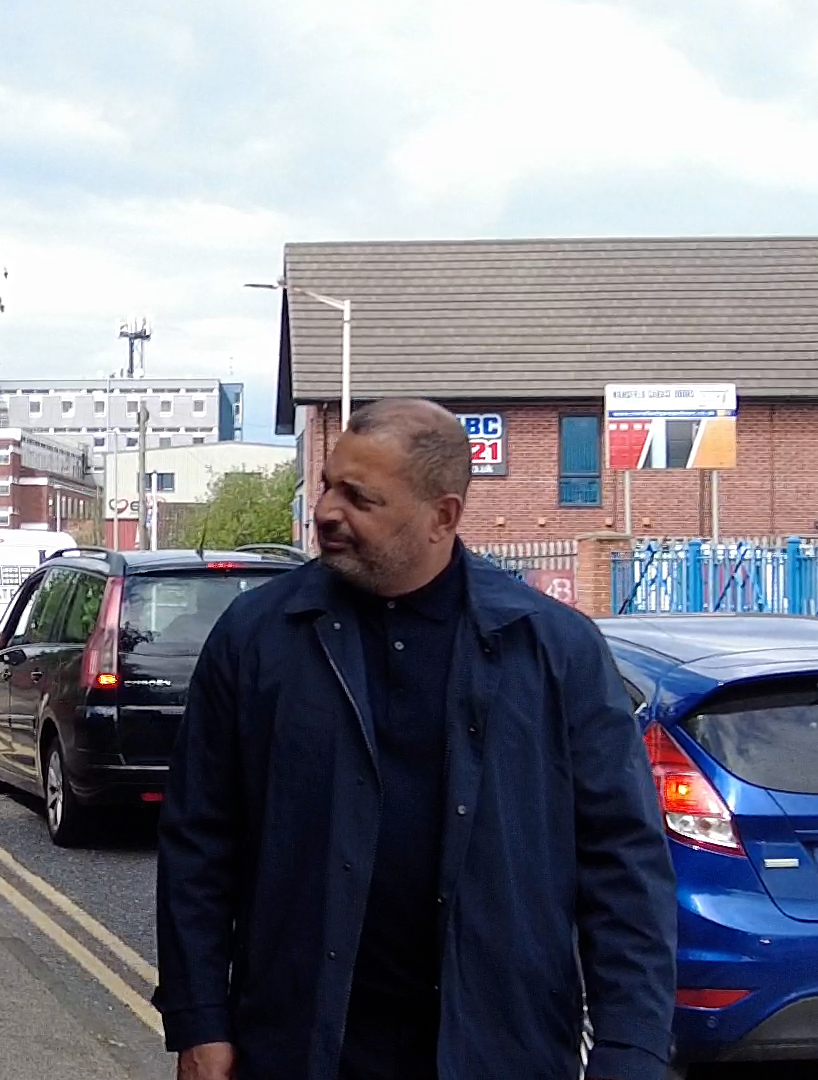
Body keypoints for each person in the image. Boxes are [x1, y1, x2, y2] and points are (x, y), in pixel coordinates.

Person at [155, 399, 676, 1080]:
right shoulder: (257, 638)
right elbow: (198, 840)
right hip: (302, 1044)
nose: (327, 512)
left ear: (444, 515)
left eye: (359, 497)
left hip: (499, 1048)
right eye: (328, 486)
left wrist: (630, 1047)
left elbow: (623, 861)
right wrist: (199, 1019)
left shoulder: (551, 649)